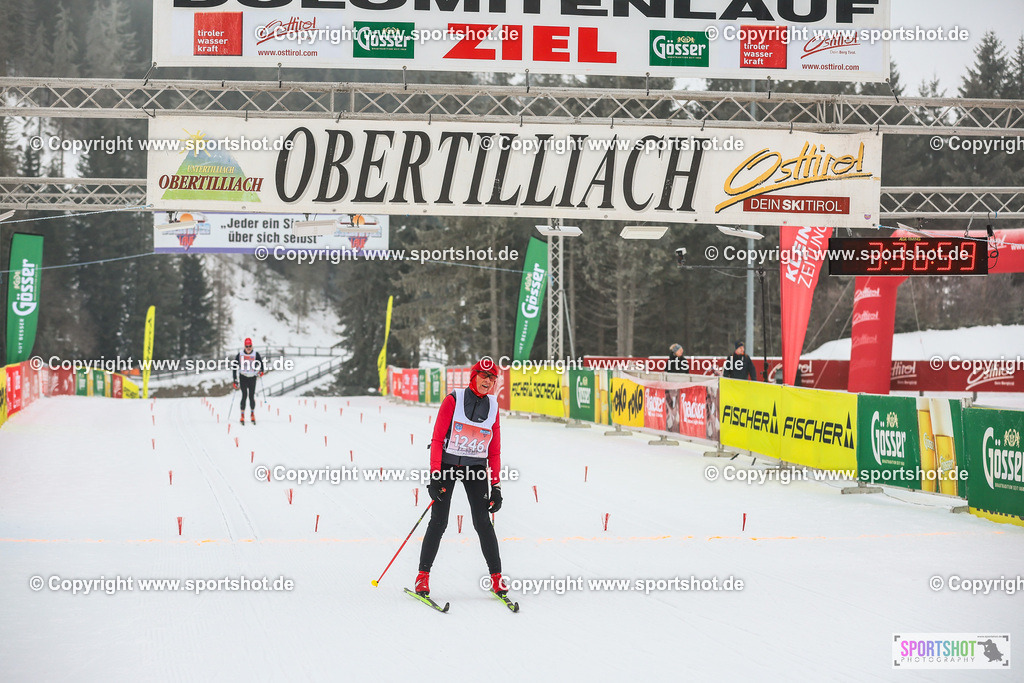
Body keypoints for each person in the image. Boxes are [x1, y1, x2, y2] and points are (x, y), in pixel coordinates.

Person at [416, 357, 506, 598]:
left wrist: (496, 486)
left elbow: (494, 450)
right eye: (484, 376)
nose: (488, 381)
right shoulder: (453, 400)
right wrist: (435, 476)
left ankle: (496, 578)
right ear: (473, 376)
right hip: (447, 465)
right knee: (439, 521)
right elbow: (436, 440)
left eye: (492, 378)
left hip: (475, 468)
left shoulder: (494, 407)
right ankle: (422, 577)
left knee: (482, 522)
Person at [232, 338, 265, 424]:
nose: (248, 348)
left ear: (252, 345)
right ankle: (242, 415)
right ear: (244, 346)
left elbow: (261, 364)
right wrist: (235, 380)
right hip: (243, 377)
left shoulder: (255, 354)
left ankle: (252, 414)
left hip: (252, 377)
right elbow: (234, 368)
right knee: (244, 396)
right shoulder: (240, 355)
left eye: (250, 346)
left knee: (251, 396)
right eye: (247, 346)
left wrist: (261, 371)